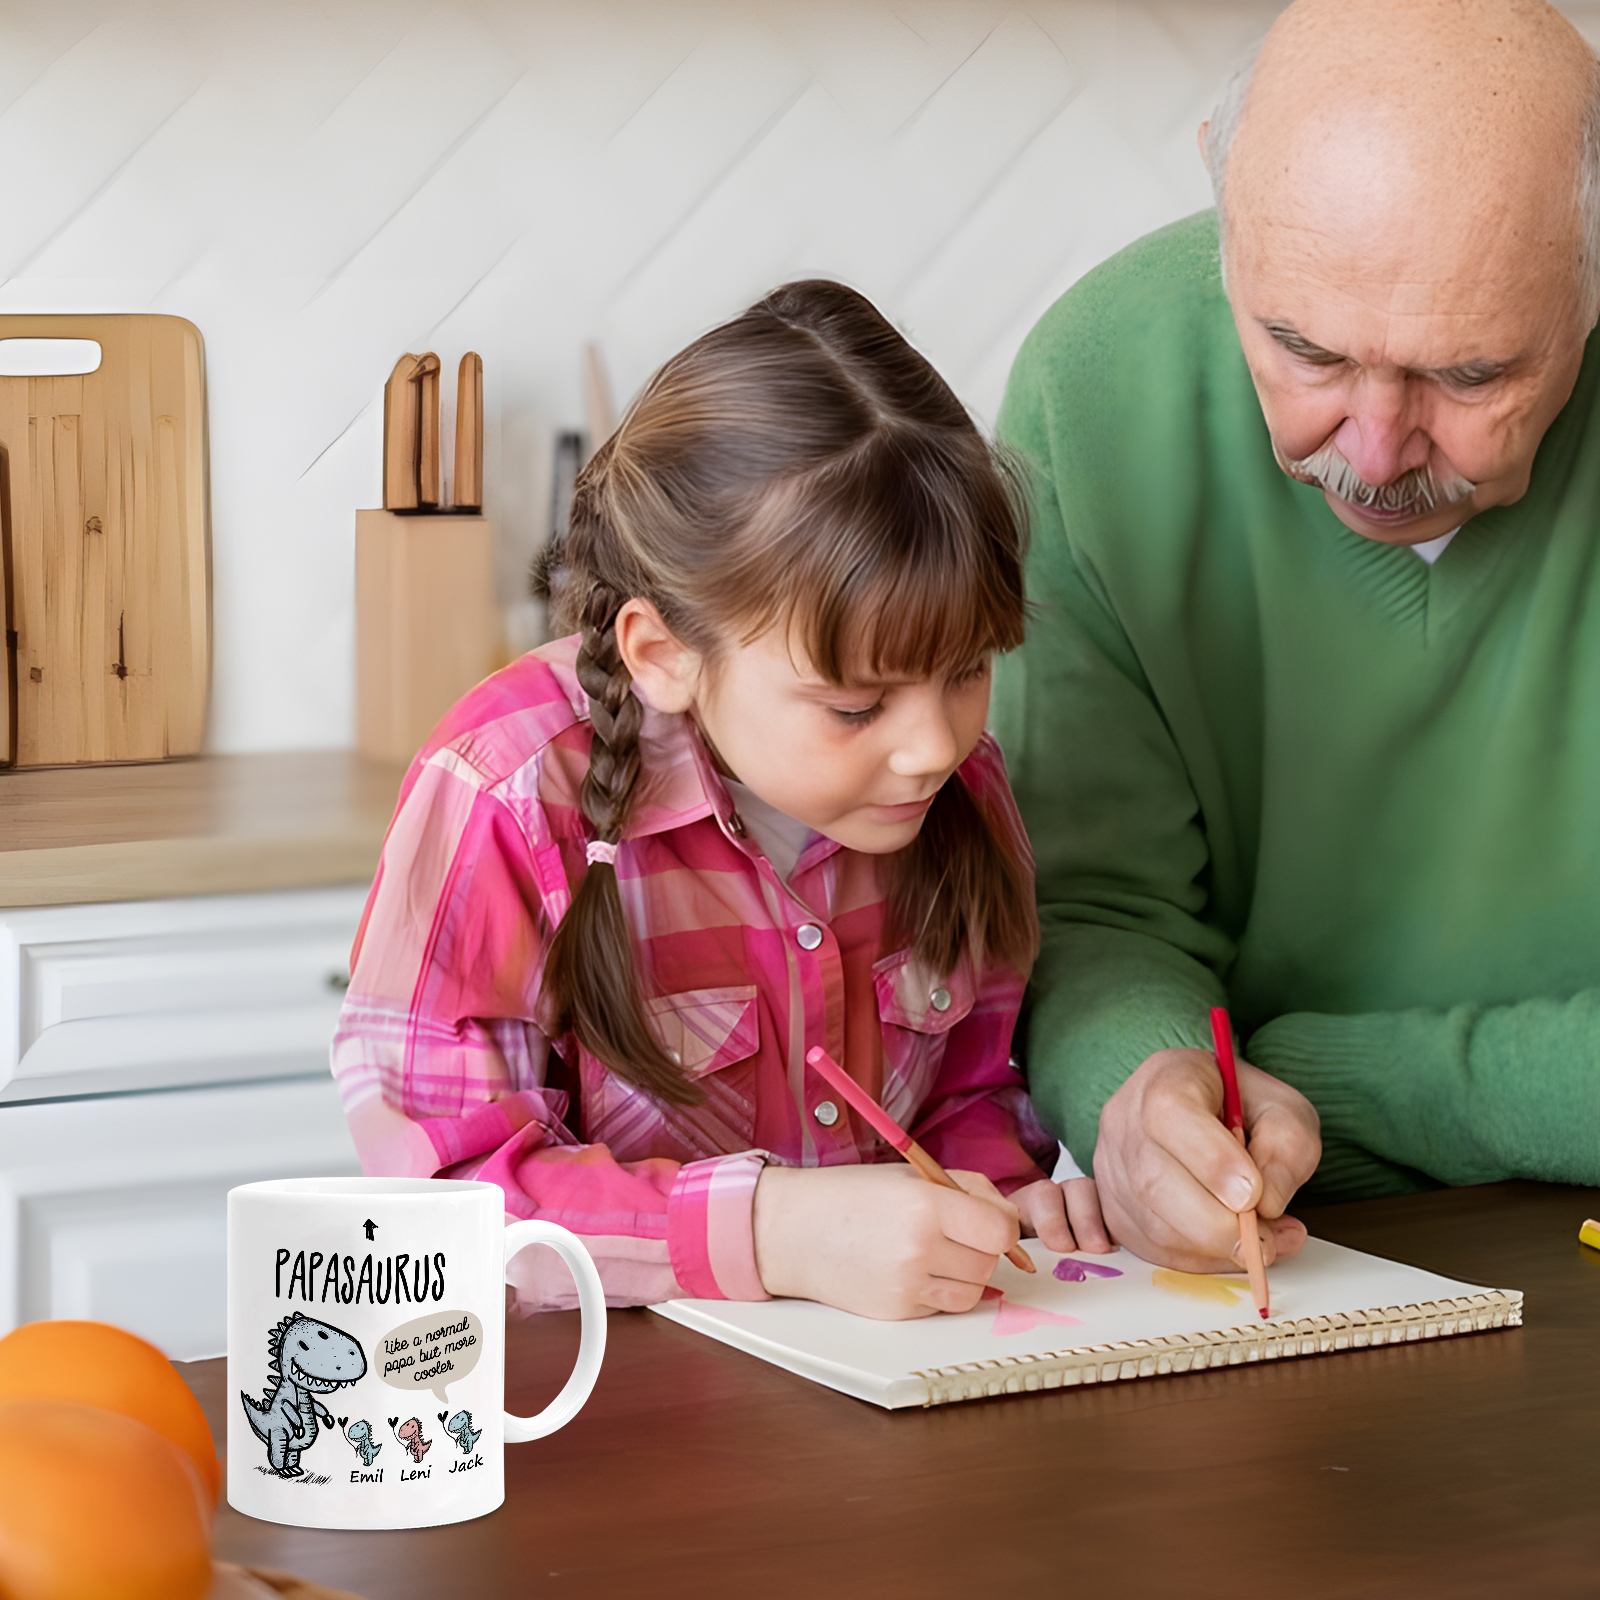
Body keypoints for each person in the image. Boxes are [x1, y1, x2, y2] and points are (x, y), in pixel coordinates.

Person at [333, 280, 1109, 1321]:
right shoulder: (502, 793)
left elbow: (970, 1099)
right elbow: (442, 1201)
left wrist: (1004, 1203)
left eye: (968, 670)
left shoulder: (951, 788)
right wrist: (773, 1231)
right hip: (603, 1414)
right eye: (855, 704)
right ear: (663, 655)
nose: (933, 746)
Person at [994, 0, 1600, 1276]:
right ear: (1225, 208)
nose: (1374, 450)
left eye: (1472, 374)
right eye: (1301, 348)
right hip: (1288, 1248)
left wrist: (1326, 1078)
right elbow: (1094, 909)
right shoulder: (1091, 384)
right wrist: (1146, 1091)